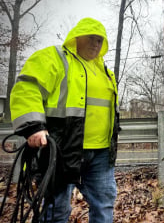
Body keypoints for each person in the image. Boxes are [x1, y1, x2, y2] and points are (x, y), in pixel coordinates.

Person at [10, 17, 119, 222]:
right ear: (77, 37)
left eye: (100, 40)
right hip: (61, 150)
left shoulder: (105, 71)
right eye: (92, 38)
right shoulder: (54, 58)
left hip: (101, 153)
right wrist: (33, 126)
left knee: (104, 206)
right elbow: (27, 88)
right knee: (55, 209)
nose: (96, 44)